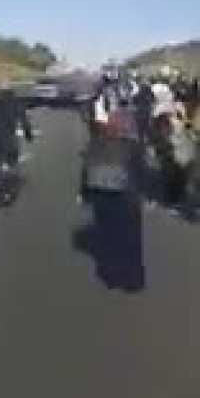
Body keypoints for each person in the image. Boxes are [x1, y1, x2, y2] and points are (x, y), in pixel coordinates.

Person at [80, 94, 145, 292]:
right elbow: (141, 172)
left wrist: (83, 193)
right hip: (124, 195)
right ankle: (131, 276)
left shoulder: (96, 144)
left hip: (101, 194)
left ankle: (110, 274)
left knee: (108, 233)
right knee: (129, 236)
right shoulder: (133, 146)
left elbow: (86, 169)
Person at [0, 81, 33, 206]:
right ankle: (10, 195)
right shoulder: (15, 102)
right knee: (13, 166)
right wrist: (28, 135)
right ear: (11, 90)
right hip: (9, 139)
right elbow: (24, 121)